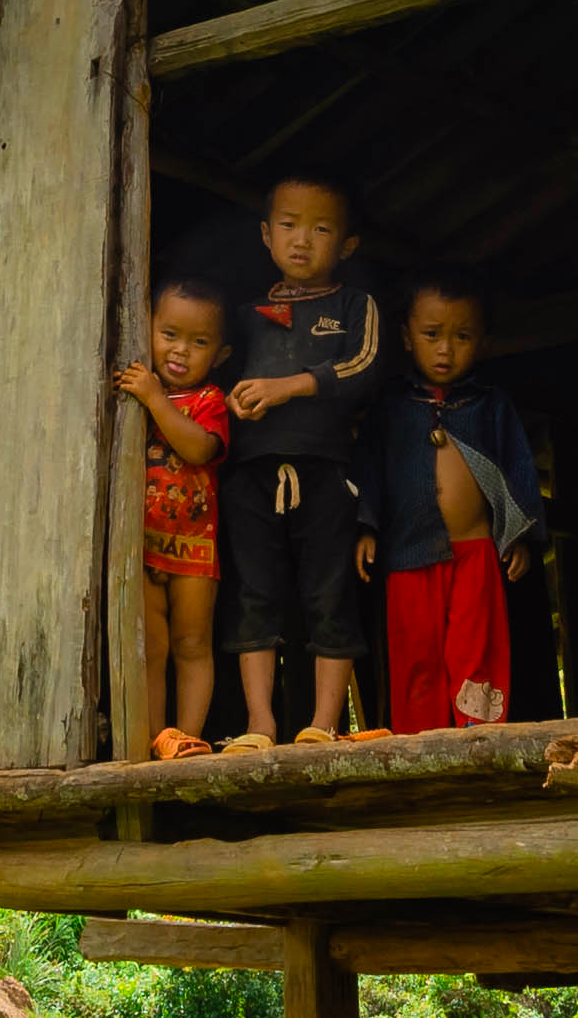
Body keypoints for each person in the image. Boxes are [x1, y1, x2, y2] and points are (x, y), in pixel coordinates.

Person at [217, 173, 386, 746]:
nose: (301, 240)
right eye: (288, 225)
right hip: (250, 475)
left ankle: (322, 725)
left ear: (347, 245)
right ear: (266, 235)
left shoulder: (355, 306)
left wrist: (288, 386)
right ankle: (260, 724)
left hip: (327, 475)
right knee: (253, 592)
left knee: (329, 592)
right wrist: (234, 398)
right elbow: (208, 377)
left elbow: (365, 366)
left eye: (320, 229)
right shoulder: (242, 318)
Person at [371, 278, 542, 733]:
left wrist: (520, 536)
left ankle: (478, 740)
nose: (445, 349)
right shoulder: (391, 406)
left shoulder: (489, 406)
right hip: (408, 553)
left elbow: (518, 467)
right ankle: (418, 745)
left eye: (461, 337)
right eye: (432, 335)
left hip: (477, 553)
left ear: (483, 343)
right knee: (416, 654)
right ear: (406, 336)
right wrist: (365, 527)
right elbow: (370, 468)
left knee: (475, 648)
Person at [113, 280, 235, 758]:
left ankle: (187, 737)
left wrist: (155, 398)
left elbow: (199, 447)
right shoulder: (131, 392)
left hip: (194, 547)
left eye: (198, 342)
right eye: (169, 334)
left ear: (220, 354)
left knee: (191, 644)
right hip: (141, 545)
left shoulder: (209, 401)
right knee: (151, 650)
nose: (181, 350)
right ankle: (154, 739)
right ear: (147, 330)